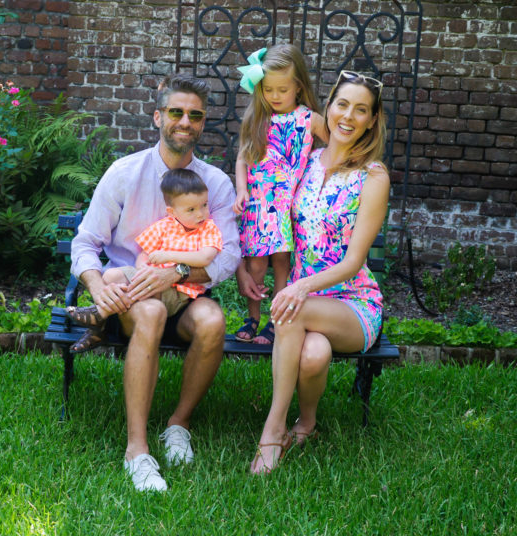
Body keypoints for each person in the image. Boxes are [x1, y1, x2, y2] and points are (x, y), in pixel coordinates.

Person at [71, 73, 241, 492]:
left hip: (185, 292)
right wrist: (97, 287)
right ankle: (137, 450)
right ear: (158, 116)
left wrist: (178, 271)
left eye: (195, 115)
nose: (186, 121)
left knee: (213, 321)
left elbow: (230, 255)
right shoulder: (125, 173)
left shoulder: (214, 183)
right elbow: (86, 243)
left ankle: (177, 424)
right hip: (130, 296)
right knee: (148, 310)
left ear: (202, 124)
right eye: (177, 112)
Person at [248, 70, 391, 474]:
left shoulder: (373, 177)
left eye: (361, 110)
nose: (348, 116)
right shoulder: (307, 160)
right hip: (305, 298)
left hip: (353, 302)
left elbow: (352, 261)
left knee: (292, 306)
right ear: (327, 108)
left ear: (372, 120)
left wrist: (300, 287)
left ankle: (272, 429)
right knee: (313, 355)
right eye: (342, 104)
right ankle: (306, 421)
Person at [66, 168, 222, 354]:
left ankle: (100, 316)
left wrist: (169, 256)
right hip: (150, 284)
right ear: (172, 212)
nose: (201, 214)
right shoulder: (163, 227)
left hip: (178, 292)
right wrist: (143, 270)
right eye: (191, 209)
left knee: (147, 288)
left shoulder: (208, 229)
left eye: (204, 205)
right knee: (112, 275)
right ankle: (100, 324)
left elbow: (205, 257)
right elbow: (144, 255)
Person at [232, 44, 328, 345]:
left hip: (289, 206)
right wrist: (241, 189)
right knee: (256, 265)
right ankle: (252, 317)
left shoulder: (309, 119)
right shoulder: (257, 118)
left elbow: (334, 148)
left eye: (282, 89)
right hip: (259, 206)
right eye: (268, 89)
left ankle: (277, 320)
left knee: (283, 264)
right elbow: (242, 159)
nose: (274, 96)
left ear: (298, 88)